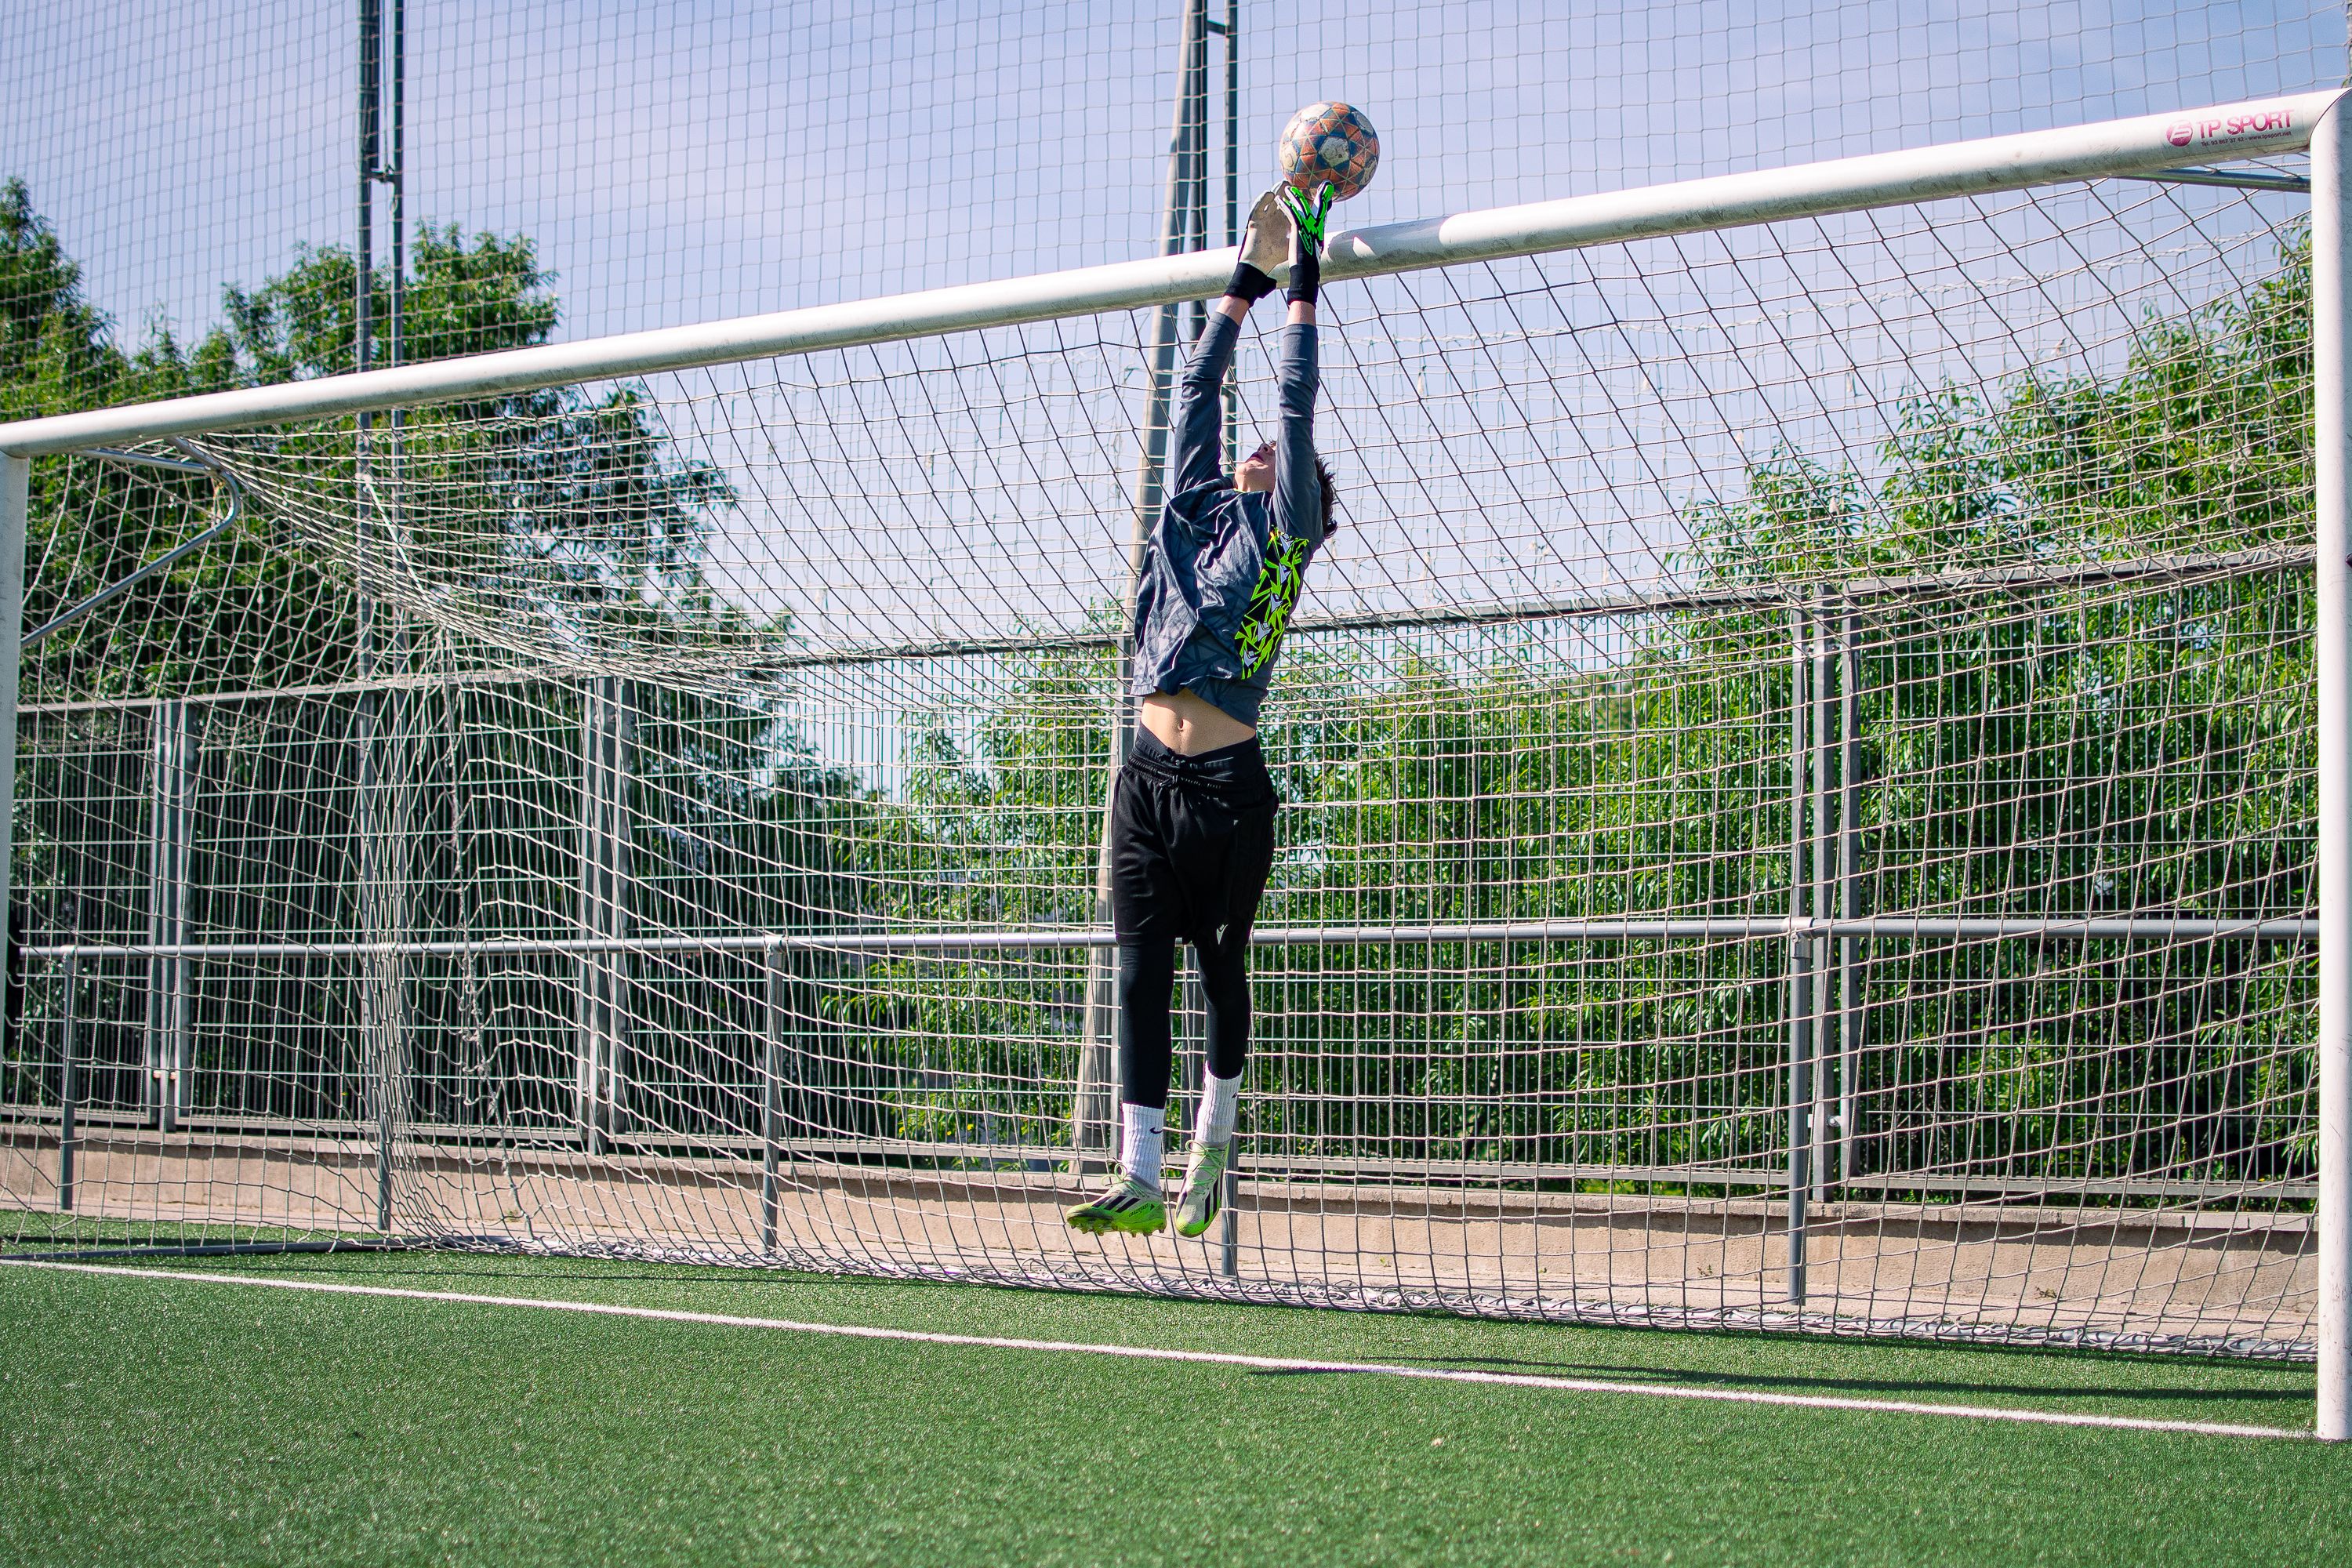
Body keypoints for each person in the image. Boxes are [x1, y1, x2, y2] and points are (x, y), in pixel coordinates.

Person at [1065, 182, 1339, 1240]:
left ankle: (1212, 1145)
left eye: (1285, 461)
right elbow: (1197, 392)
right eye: (1262, 453)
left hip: (1227, 792)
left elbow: (1296, 404)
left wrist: (1306, 284)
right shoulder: (1194, 504)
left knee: (1217, 966)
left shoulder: (1288, 532)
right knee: (1137, 967)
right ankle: (1135, 1168)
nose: (1264, 452)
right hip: (1146, 774)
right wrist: (1246, 279)